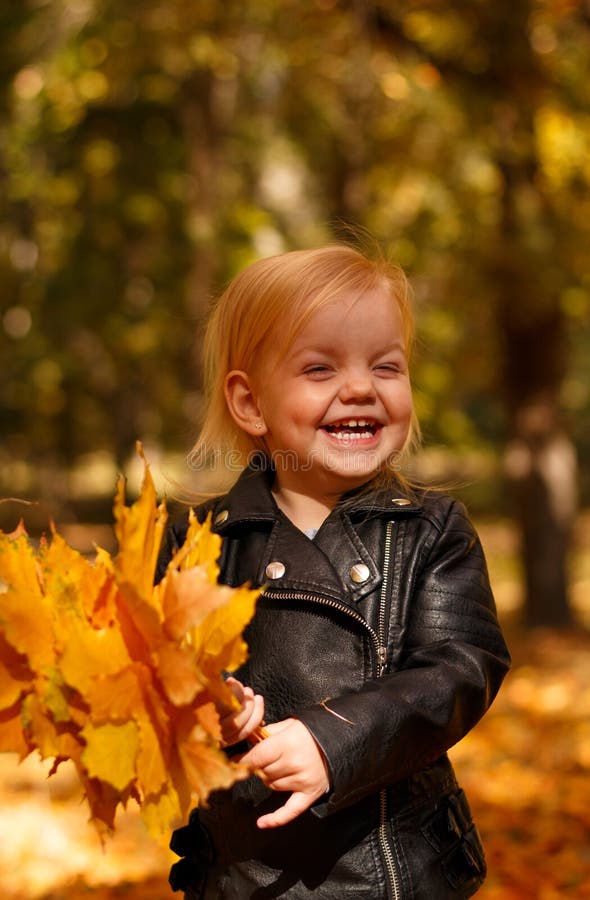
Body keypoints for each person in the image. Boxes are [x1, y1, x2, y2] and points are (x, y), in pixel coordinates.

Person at [156, 244, 511, 899]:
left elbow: (460, 669)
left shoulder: (430, 531)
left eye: (386, 366)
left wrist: (332, 741)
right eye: (320, 368)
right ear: (250, 403)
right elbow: (160, 675)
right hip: (243, 874)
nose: (360, 388)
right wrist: (209, 709)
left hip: (394, 873)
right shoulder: (198, 543)